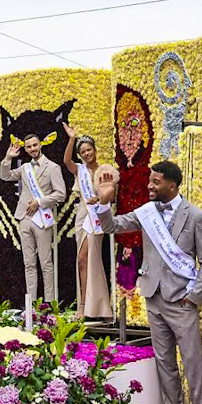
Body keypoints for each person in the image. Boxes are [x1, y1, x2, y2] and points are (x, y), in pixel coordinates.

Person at [95, 161, 202, 404]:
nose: (150, 185)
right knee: (164, 359)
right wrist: (104, 203)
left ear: (171, 185)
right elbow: (112, 227)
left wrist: (194, 297)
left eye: (156, 181)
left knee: (192, 360)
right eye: (150, 180)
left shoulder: (196, 217)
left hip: (182, 300)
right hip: (153, 296)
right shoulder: (146, 213)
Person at [0, 134, 67, 303]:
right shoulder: (24, 169)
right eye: (29, 147)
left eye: (35, 145)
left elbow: (61, 194)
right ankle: (32, 306)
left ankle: (49, 304)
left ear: (40, 145)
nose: (32, 149)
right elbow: (5, 176)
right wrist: (8, 157)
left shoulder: (53, 167)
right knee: (28, 264)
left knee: (45, 263)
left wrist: (40, 202)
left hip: (42, 218)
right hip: (25, 218)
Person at [62, 123, 117, 321]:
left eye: (89, 150)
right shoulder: (80, 171)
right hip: (83, 214)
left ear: (95, 150)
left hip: (99, 215)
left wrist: (101, 199)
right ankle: (83, 305)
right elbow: (66, 160)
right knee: (82, 259)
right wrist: (71, 138)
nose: (86, 154)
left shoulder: (106, 170)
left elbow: (112, 196)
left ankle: (99, 306)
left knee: (93, 259)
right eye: (83, 151)